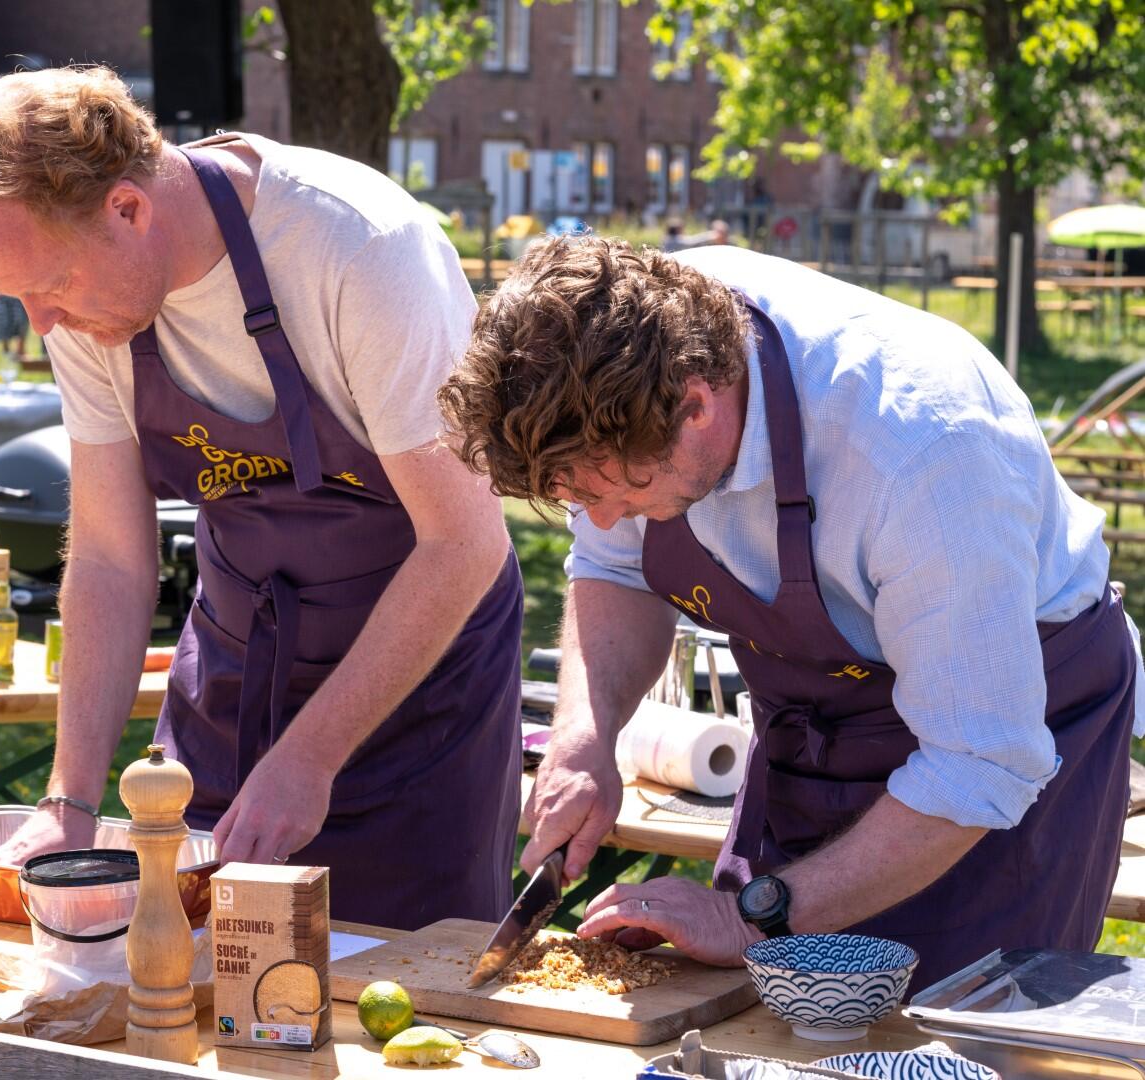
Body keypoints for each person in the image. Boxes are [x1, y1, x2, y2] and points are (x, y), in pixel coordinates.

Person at [0, 67, 523, 930]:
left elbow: (463, 542)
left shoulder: (359, 250)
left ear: (127, 209)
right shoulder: (85, 304)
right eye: (18, 301)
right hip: (236, 669)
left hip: (417, 687)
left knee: (395, 993)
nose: (41, 325)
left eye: (50, 288)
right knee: (192, 969)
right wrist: (69, 801)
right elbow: (114, 556)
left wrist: (309, 756)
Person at [438, 237, 1140, 990]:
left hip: (1001, 751)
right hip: (809, 726)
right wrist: (586, 737)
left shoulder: (924, 451)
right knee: (753, 1026)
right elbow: (616, 569)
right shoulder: (620, 350)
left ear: (696, 406)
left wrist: (749, 917)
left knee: (938, 1048)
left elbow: (978, 764)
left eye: (616, 493)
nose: (604, 521)